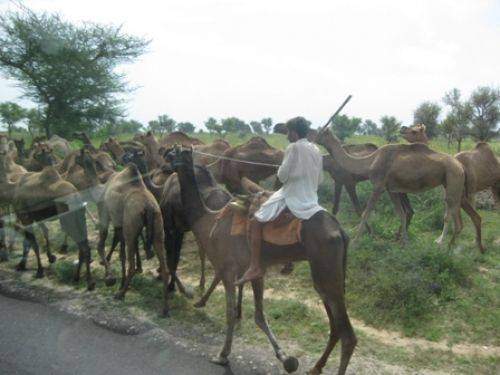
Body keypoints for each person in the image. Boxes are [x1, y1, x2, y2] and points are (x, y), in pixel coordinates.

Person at [236, 117, 325, 285]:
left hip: (291, 195)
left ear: (294, 132)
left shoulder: (292, 147)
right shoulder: (316, 149)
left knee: (256, 221)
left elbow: (282, 176)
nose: (286, 136)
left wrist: (286, 166)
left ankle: (255, 265)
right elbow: (319, 180)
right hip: (312, 198)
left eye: (288, 132)